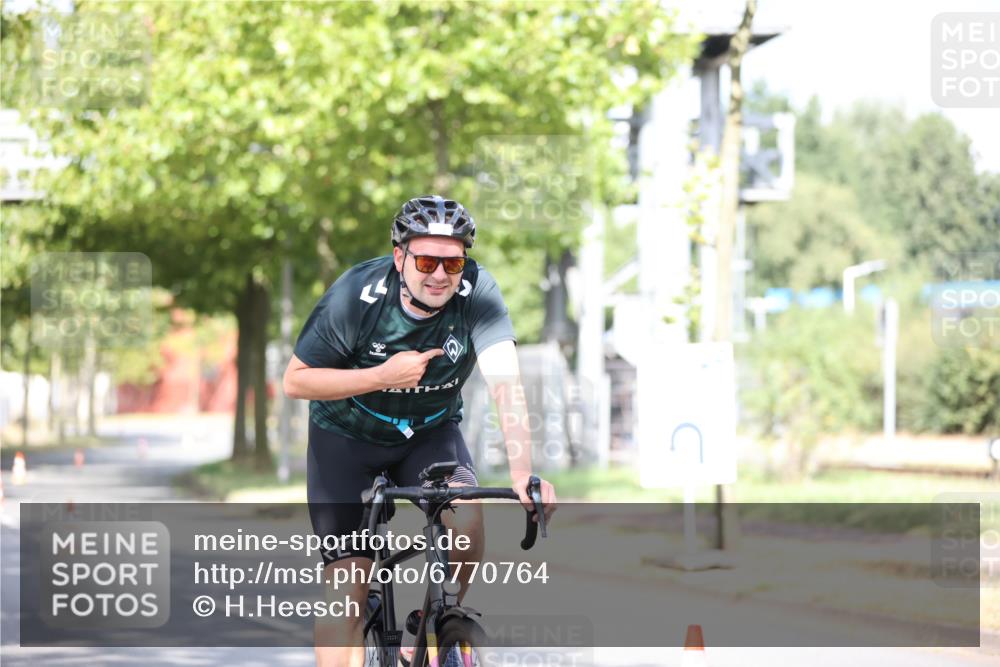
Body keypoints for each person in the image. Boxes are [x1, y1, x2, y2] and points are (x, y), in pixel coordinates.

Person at [283, 194, 557, 667]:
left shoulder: (478, 294)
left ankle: (430, 635)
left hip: (427, 433)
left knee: (467, 525)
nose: (439, 275)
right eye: (427, 260)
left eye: (453, 264)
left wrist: (523, 474)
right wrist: (380, 376)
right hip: (345, 438)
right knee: (346, 588)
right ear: (399, 257)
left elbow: (507, 388)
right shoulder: (356, 296)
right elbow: (296, 380)